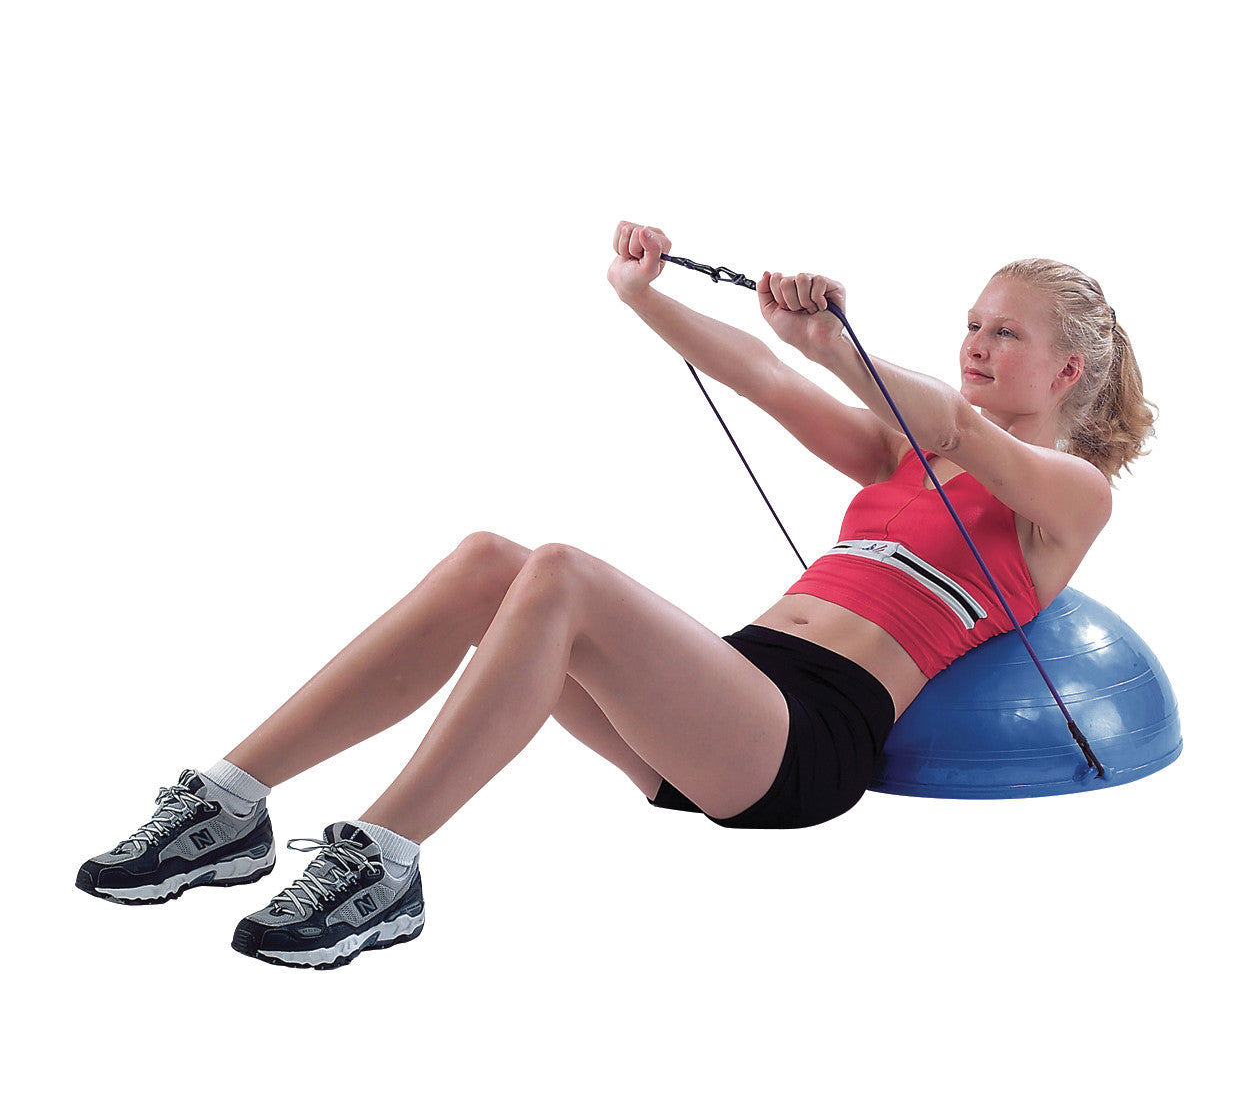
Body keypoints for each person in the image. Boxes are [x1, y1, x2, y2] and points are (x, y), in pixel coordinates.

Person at [76, 220, 1156, 970]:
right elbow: (765, 376)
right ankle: (227, 799)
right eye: (969, 321)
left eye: (1002, 332)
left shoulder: (1065, 497)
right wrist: (645, 297)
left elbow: (950, 429)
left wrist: (839, 344)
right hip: (733, 692)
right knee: (489, 557)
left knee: (560, 570)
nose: (972, 343)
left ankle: (384, 859)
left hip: (807, 739)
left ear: (1066, 374)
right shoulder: (895, 452)